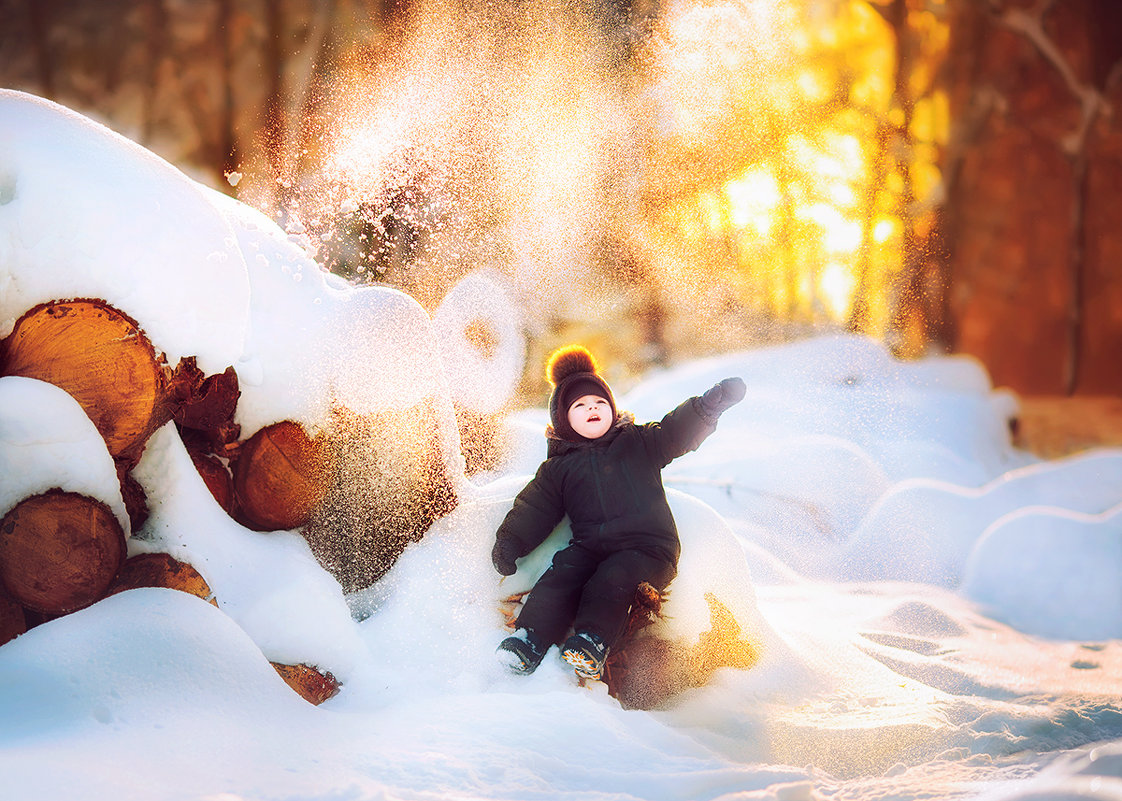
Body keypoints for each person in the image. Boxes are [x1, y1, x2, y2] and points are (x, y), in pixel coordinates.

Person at [491, 344, 745, 679]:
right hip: (591, 547)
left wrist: (708, 407)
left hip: (649, 548)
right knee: (561, 574)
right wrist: (510, 541)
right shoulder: (558, 468)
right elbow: (535, 507)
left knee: (614, 577)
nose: (592, 408)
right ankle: (528, 639)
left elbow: (674, 432)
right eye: (580, 405)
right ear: (563, 419)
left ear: (612, 408)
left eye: (599, 402)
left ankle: (591, 641)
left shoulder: (638, 442)